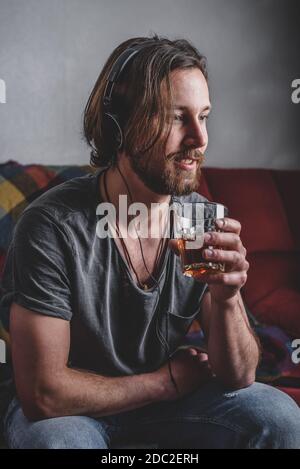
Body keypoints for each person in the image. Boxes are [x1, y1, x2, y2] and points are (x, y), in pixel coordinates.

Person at [1, 35, 300, 449]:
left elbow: (240, 376)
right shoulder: (52, 225)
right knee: (58, 444)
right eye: (178, 118)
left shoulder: (198, 218)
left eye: (204, 116)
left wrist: (228, 297)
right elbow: (43, 393)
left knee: (280, 418)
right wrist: (165, 383)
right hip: (73, 412)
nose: (200, 139)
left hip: (168, 409)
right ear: (121, 126)